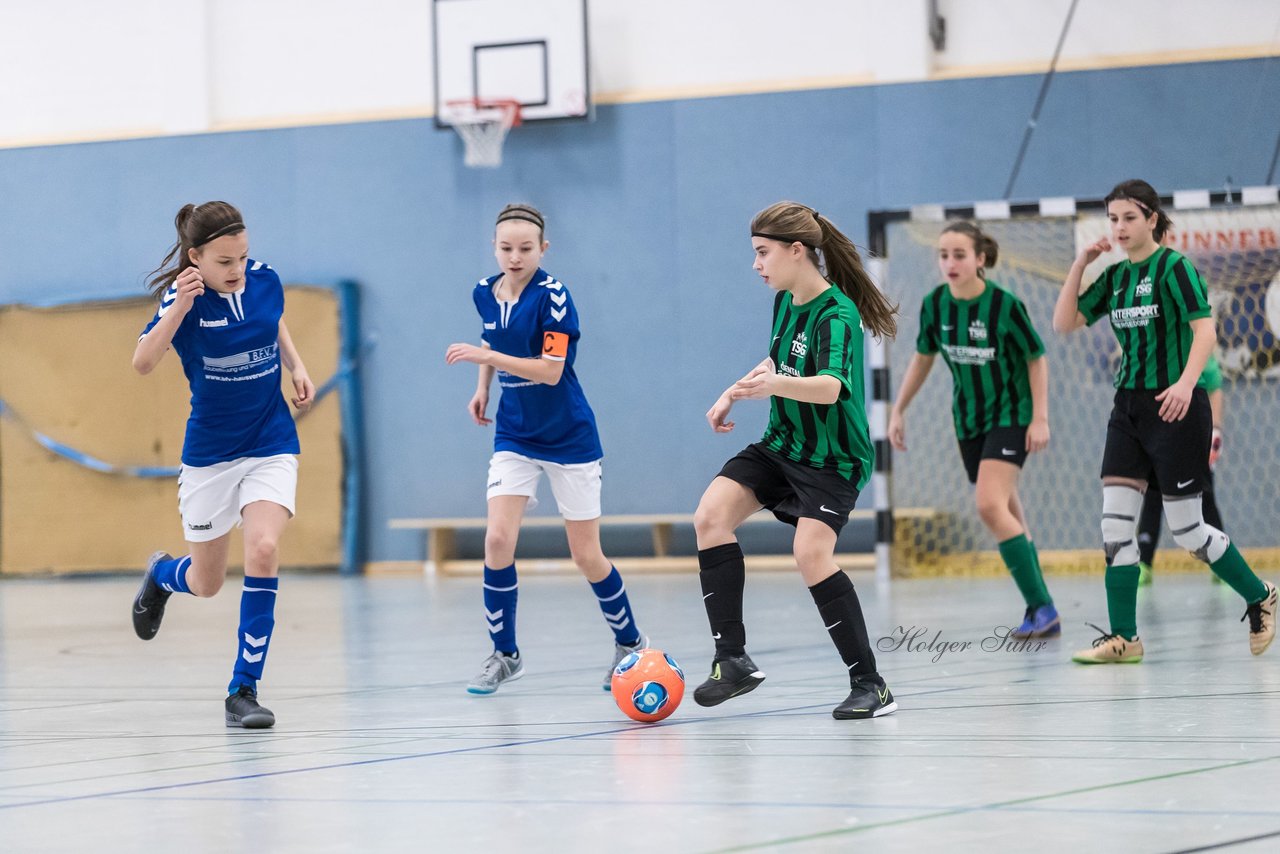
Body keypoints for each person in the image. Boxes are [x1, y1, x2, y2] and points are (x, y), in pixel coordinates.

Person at [1052, 179, 1275, 663]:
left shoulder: (1175, 268)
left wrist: (1185, 383)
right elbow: (1063, 323)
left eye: (1129, 218)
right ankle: (1124, 638)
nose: (1120, 227)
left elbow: (1205, 331)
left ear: (1152, 219)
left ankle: (1260, 595)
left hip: (1177, 408)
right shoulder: (1112, 278)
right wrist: (1079, 265)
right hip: (1127, 410)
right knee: (1114, 529)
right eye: (1112, 219)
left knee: (1189, 530)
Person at [692, 201, 898, 719]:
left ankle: (870, 685)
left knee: (811, 555)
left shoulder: (839, 314)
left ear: (796, 251)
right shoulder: (785, 300)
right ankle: (732, 659)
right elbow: (778, 362)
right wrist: (733, 392)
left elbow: (830, 388)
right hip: (783, 444)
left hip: (834, 459)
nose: (757, 265)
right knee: (710, 517)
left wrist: (773, 386)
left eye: (763, 253)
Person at [445, 203, 646, 695]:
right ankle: (504, 654)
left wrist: (488, 357)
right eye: (506, 248)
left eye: (526, 249)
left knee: (586, 554)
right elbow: (490, 338)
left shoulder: (554, 297)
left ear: (544, 249)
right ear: (494, 247)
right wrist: (483, 385)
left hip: (568, 435)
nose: (515, 257)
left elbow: (551, 369)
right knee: (497, 540)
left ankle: (631, 643)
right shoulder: (482, 291)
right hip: (514, 433)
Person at [131, 201, 314, 728]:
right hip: (211, 454)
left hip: (270, 440)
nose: (237, 270)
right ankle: (163, 576)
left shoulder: (264, 280)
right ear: (196, 259)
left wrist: (296, 365)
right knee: (207, 582)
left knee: (262, 546)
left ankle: (243, 690)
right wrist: (177, 311)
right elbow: (142, 363)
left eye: (243, 257)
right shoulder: (182, 299)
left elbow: (273, 321)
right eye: (225, 261)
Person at [889, 222, 1058, 637]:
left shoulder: (1004, 305)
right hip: (968, 420)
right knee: (1008, 511)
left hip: (1011, 415)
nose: (950, 263)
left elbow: (1036, 358)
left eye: (959, 255)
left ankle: (1043, 607)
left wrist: (1039, 418)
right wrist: (899, 410)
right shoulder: (935, 305)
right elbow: (923, 357)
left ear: (980, 259)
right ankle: (1040, 606)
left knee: (988, 505)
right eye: (943, 255)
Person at [1135, 352, 1227, 585]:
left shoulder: (1192, 343)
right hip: (1159, 432)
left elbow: (1214, 384)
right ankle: (1144, 561)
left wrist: (1215, 429)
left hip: (1193, 431)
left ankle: (1222, 561)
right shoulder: (1155, 347)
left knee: (1204, 496)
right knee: (1153, 496)